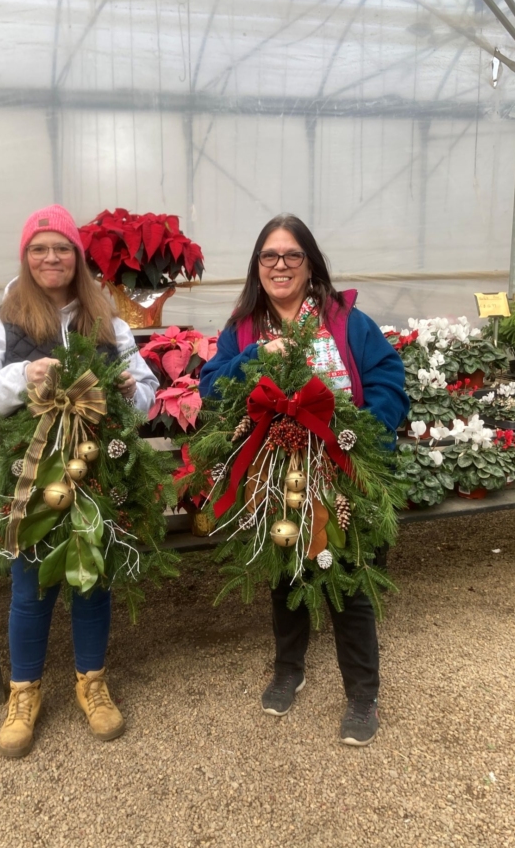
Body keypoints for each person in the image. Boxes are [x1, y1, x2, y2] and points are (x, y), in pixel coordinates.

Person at [0, 205, 158, 758]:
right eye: (39, 248)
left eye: (62, 248)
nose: (51, 258)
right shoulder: (3, 323)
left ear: (78, 257)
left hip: (97, 473)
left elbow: (147, 395)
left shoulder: (109, 322)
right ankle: (24, 692)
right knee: (31, 587)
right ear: (26, 257)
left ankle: (92, 682)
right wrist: (22, 375)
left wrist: (128, 392)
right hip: (30, 476)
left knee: (93, 581)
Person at [199, 214, 408, 746]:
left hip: (341, 470)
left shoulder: (344, 320)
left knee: (349, 582)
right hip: (275, 475)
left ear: (310, 263)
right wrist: (253, 358)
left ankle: (362, 694)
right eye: (269, 256)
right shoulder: (244, 328)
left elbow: (387, 378)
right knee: (285, 574)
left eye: (292, 255)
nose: (281, 265)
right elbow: (211, 387)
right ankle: (289, 669)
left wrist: (363, 436)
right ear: (257, 266)